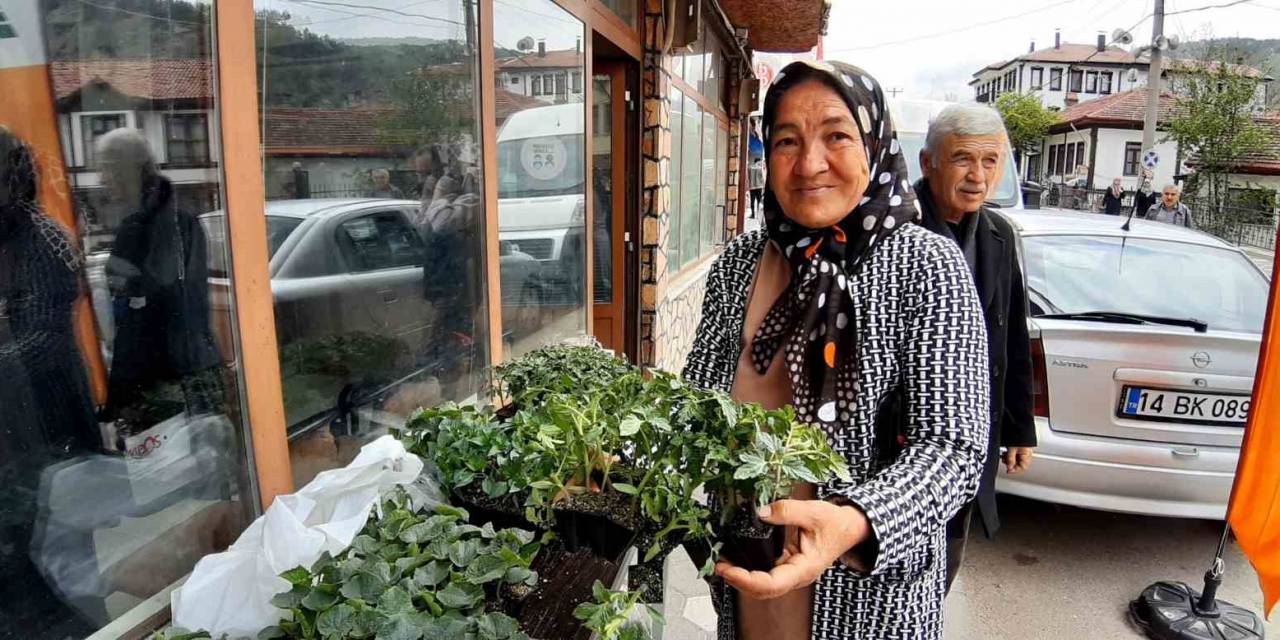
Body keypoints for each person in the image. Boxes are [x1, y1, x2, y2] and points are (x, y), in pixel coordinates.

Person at [683, 60, 989, 640]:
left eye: (836, 136)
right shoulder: (741, 264)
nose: (809, 164)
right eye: (786, 141)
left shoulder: (926, 267)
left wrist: (855, 521)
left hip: (864, 593)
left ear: (873, 144)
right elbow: (697, 400)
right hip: (749, 569)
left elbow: (954, 449)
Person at [912, 103, 1036, 593]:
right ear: (928, 163)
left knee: (946, 560)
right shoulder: (895, 226)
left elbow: (1013, 337)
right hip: (906, 435)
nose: (977, 176)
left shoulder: (999, 235)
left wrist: (1018, 427)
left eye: (991, 161)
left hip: (974, 433)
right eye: (963, 159)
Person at [0, 126, 100, 637]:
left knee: (61, 557)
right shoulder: (12, 236)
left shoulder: (38, 240)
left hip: (48, 419)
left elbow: (38, 341)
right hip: (25, 422)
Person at [97, 128, 223, 428]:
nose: (102, 179)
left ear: (127, 168)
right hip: (181, 377)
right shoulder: (176, 217)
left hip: (163, 389)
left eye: (106, 168)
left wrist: (124, 399)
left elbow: (148, 317)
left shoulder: (149, 226)